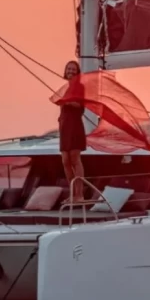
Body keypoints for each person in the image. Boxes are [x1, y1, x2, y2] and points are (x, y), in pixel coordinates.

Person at [58, 60, 87, 201]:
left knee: (75, 159)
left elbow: (80, 106)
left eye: (73, 69)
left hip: (74, 125)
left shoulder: (80, 87)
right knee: (65, 161)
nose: (70, 71)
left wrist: (67, 101)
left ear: (77, 72)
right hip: (64, 127)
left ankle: (79, 195)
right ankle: (72, 194)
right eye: (68, 69)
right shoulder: (66, 88)